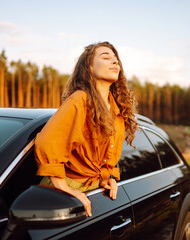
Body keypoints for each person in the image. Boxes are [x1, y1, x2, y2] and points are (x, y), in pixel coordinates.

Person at [34, 41, 138, 217]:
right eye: (106, 57)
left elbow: (103, 155)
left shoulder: (117, 110)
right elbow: (47, 143)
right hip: (64, 189)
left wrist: (106, 178)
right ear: (89, 68)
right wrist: (63, 187)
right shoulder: (80, 100)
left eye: (116, 59)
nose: (115, 62)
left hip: (94, 188)